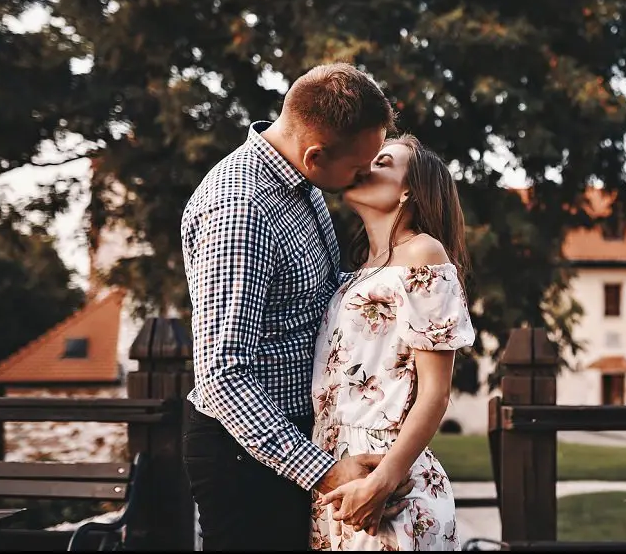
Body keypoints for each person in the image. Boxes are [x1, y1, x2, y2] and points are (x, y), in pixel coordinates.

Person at [181, 64, 414, 551]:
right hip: (247, 458)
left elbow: (325, 297)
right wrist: (322, 471)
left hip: (298, 439)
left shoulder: (305, 184)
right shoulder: (240, 207)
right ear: (316, 154)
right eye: (358, 167)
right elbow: (222, 374)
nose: (365, 175)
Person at [310, 135, 476, 551]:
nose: (366, 165)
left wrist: (381, 483)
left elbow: (435, 394)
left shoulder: (424, 253)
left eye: (382, 161)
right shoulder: (358, 272)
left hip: (389, 482)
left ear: (408, 192)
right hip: (335, 470)